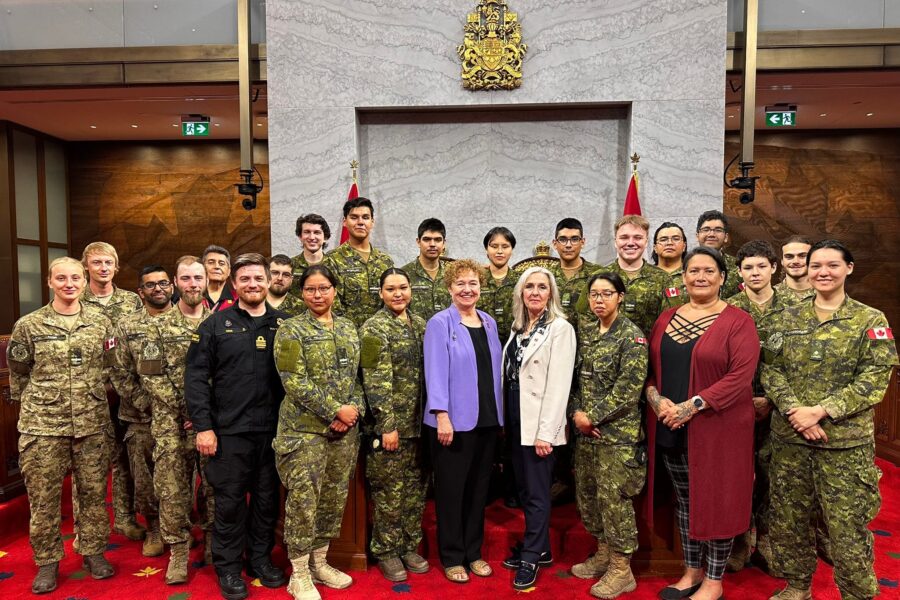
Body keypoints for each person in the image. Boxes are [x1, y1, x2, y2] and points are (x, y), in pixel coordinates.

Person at [762, 240, 898, 600]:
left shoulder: (870, 320)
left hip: (844, 444)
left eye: (832, 265)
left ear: (848, 268)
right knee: (789, 519)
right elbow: (770, 370)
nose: (822, 272)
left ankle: (856, 593)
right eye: (815, 265)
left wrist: (821, 411)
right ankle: (797, 585)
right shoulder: (785, 317)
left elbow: (874, 379)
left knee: (846, 526)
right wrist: (796, 411)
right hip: (791, 438)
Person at [645, 247, 759, 600]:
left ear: (723, 277)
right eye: (693, 270)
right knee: (686, 500)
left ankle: (714, 580)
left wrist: (692, 406)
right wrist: (656, 399)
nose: (700, 277)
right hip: (670, 427)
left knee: (717, 500)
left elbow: (741, 377)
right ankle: (692, 570)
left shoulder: (738, 321)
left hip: (718, 429)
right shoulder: (666, 317)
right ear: (683, 277)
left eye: (709, 271)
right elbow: (650, 370)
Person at [7, 256, 117, 593]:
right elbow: (18, 373)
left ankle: (93, 552)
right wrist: (41, 405)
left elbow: (112, 366)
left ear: (84, 282)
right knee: (44, 499)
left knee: (94, 494)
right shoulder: (29, 325)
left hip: (92, 423)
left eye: (74, 278)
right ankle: (47, 562)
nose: (69, 284)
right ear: (50, 282)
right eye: (61, 278)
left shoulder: (101, 323)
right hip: (43, 427)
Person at [186, 253, 288, 600]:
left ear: (269, 281)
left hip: (274, 432)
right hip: (229, 432)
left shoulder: (285, 324)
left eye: (258, 278)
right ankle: (228, 568)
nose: (253, 284)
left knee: (265, 501)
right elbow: (197, 378)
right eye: (245, 279)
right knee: (229, 504)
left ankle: (259, 560)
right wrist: (203, 426)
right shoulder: (215, 325)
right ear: (235, 284)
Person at [272, 264, 364, 600]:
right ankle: (298, 573)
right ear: (301, 293)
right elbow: (292, 380)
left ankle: (319, 562)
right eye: (310, 289)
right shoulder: (290, 330)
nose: (317, 294)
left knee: (332, 499)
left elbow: (359, 377)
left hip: (343, 434)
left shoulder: (349, 328)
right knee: (303, 502)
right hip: (304, 433)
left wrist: (352, 412)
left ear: (334, 290)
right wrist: (334, 410)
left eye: (324, 287)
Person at [134, 255, 214, 584]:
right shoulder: (156, 328)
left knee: (214, 487)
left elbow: (228, 378)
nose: (192, 284)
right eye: (186, 278)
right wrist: (189, 411)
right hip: (170, 423)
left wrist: (203, 416)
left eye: (198, 278)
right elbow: (150, 377)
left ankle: (212, 540)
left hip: (211, 425)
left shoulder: (220, 324)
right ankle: (179, 549)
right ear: (176, 284)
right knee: (171, 490)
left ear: (206, 282)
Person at [424, 258, 503, 584]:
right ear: (450, 288)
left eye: (473, 284)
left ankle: (474, 552)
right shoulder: (440, 323)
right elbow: (435, 371)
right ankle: (453, 556)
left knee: (478, 492)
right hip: (453, 424)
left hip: (487, 420)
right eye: (461, 284)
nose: (467, 289)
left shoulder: (488, 322)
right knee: (452, 492)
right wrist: (441, 415)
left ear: (480, 289)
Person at [569, 272, 647, 599]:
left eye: (607, 294)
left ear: (621, 297)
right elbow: (573, 380)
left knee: (615, 501)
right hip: (587, 435)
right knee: (589, 496)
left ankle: (621, 568)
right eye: (594, 294)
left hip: (618, 437)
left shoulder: (631, 337)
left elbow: (628, 391)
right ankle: (602, 552)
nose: (599, 300)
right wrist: (576, 414)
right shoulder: (586, 333)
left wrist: (592, 416)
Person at [500, 267, 576, 591]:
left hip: (540, 422)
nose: (534, 291)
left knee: (536, 493)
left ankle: (531, 555)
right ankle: (542, 547)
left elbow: (559, 386)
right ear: (520, 292)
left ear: (551, 293)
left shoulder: (560, 328)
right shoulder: (519, 328)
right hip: (517, 415)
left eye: (541, 287)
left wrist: (547, 432)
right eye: (529, 286)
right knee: (525, 489)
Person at [725, 240, 793, 573]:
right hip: (737, 407)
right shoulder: (729, 308)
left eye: (761, 266)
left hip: (780, 408)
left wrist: (772, 398)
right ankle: (739, 541)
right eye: (748, 267)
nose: (755, 272)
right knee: (737, 475)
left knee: (772, 476)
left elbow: (797, 362)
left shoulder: (795, 306)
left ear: (774, 268)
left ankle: (766, 541)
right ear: (739, 272)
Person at [359, 268, 429, 583]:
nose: (398, 293)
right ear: (381, 293)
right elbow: (375, 380)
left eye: (402, 287)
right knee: (389, 491)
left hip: (419, 424)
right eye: (390, 289)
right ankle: (387, 550)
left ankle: (408, 545)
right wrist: (387, 424)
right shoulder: (374, 328)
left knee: (415, 490)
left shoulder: (423, 326)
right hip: (391, 428)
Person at [78, 242, 145, 543]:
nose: (103, 268)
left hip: (125, 392)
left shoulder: (132, 301)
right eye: (96, 263)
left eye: (108, 262)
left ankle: (125, 517)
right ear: (86, 267)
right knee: (87, 464)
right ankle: (88, 529)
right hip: (89, 393)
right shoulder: (76, 299)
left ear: (116, 267)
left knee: (124, 458)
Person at [110, 265, 175, 560]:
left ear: (172, 286)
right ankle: (154, 528)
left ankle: (180, 529)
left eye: (163, 283)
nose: (158, 289)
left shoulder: (188, 320)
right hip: (141, 417)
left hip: (180, 417)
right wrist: (146, 403)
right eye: (150, 285)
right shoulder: (125, 326)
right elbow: (119, 371)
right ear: (141, 292)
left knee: (181, 477)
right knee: (144, 477)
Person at [579, 214, 669, 336]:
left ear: (646, 242)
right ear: (615, 241)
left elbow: (668, 324)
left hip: (648, 352)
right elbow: (585, 319)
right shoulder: (598, 277)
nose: (631, 243)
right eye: (624, 237)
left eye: (638, 237)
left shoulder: (663, 279)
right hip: (606, 352)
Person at [324, 197, 394, 327]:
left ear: (372, 222)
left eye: (365, 217)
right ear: (345, 222)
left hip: (382, 332)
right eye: (354, 217)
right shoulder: (332, 259)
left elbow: (392, 300)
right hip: (347, 334)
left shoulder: (385, 261)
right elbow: (331, 302)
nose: (360, 222)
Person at [402, 218, 453, 322]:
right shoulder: (404, 274)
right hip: (417, 336)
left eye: (438, 240)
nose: (432, 244)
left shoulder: (453, 274)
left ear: (444, 243)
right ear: (418, 242)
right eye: (427, 239)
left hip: (449, 334)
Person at [550, 218, 599, 318]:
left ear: (583, 242)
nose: (568, 245)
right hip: (554, 333)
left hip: (587, 333)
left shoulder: (598, 274)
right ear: (555, 244)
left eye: (574, 239)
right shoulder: (546, 275)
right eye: (563, 239)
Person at [480, 226, 518, 344]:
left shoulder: (522, 281)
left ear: (512, 250)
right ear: (486, 249)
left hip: (514, 342)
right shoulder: (476, 280)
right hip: (482, 343)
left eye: (505, 246)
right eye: (494, 246)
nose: (500, 251)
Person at [695, 210, 741, 299]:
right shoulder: (686, 265)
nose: (711, 234)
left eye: (718, 230)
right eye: (706, 229)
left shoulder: (738, 266)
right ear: (697, 235)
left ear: (726, 237)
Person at [290, 214, 331, 295]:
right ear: (300, 237)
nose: (312, 237)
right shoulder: (290, 266)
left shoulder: (336, 265)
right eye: (307, 232)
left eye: (317, 232)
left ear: (325, 237)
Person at [652, 221, 689, 307]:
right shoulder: (645, 276)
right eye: (663, 239)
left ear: (684, 246)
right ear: (655, 248)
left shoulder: (693, 274)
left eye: (676, 239)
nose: (669, 243)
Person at [774, 235, 815, 304]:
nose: (795, 261)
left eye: (802, 256)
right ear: (782, 261)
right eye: (789, 257)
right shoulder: (769, 297)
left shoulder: (828, 294)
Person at [202, 245, 238, 312]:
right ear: (202, 268)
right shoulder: (194, 296)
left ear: (229, 271)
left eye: (221, 263)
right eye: (211, 262)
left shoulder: (239, 299)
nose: (217, 266)